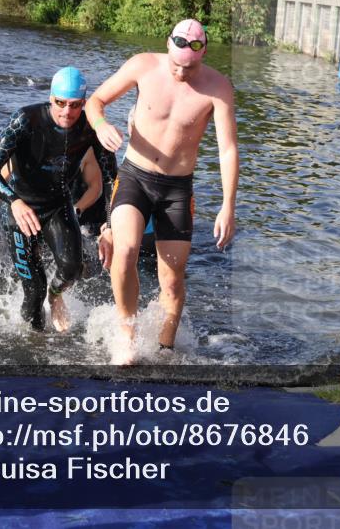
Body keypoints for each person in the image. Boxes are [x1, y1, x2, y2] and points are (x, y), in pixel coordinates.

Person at [86, 18, 239, 363]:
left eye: (190, 67)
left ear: (203, 55)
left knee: (171, 279)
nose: (182, 73)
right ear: (167, 46)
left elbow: (228, 149)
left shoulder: (218, 86)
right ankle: (127, 333)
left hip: (177, 188)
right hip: (135, 176)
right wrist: (100, 125)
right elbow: (96, 101)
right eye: (176, 65)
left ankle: (165, 348)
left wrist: (228, 205)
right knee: (125, 251)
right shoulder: (143, 65)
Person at [0, 66, 115, 332]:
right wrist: (14, 202)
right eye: (60, 103)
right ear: (51, 97)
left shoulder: (90, 128)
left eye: (76, 105)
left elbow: (113, 180)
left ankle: (56, 298)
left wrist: (110, 226)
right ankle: (35, 343)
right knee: (34, 291)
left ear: (84, 103)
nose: (67, 112)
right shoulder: (26, 119)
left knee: (71, 269)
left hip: (57, 206)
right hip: (21, 209)